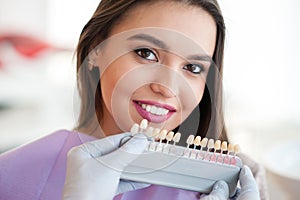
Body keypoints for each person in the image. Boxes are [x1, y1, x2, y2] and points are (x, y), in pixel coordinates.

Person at [0, 0, 268, 199]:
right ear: (95, 49)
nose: (167, 87)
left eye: (193, 68)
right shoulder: (10, 177)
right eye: (146, 53)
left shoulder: (238, 181)